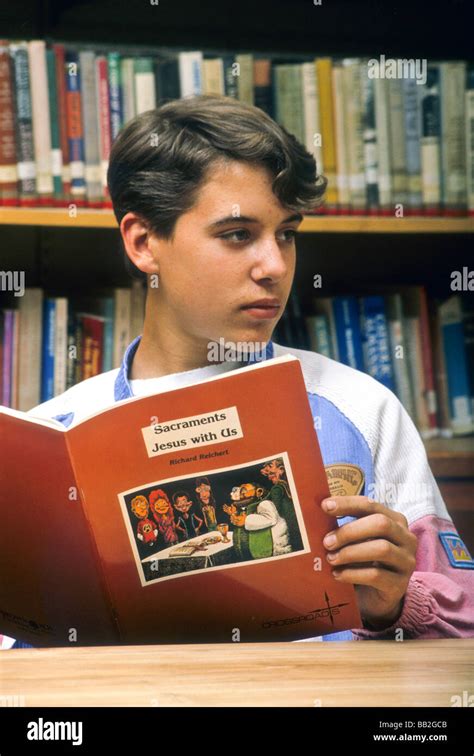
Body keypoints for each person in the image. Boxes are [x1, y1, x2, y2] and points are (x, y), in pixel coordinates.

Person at [2, 94, 473, 649]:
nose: (274, 266)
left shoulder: (362, 409)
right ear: (143, 243)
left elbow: (464, 625)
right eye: (237, 235)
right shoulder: (53, 434)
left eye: (287, 233)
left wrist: (392, 606)